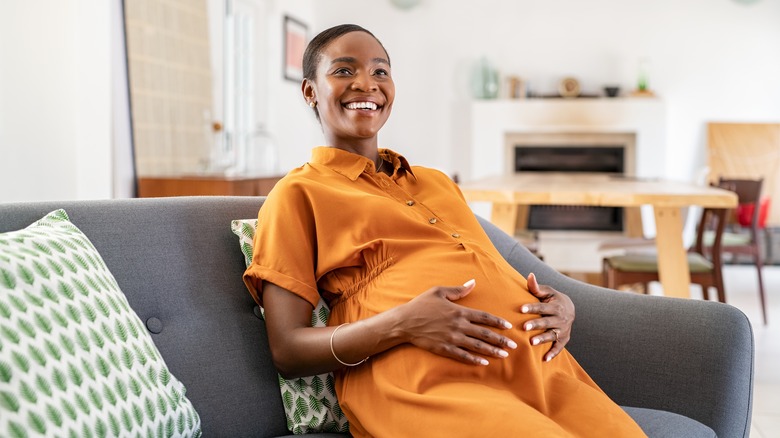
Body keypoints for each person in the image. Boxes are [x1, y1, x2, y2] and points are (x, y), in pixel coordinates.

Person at [243, 24, 645, 437]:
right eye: (344, 71)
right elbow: (287, 350)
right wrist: (403, 322)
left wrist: (561, 304)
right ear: (310, 91)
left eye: (381, 72)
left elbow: (486, 269)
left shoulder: (435, 182)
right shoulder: (297, 193)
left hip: (542, 369)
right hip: (420, 380)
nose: (367, 83)